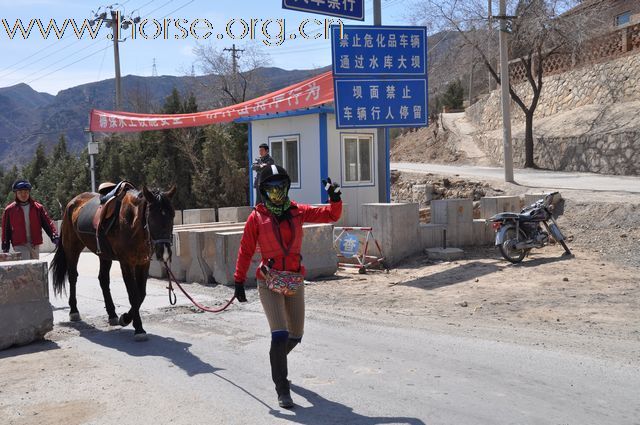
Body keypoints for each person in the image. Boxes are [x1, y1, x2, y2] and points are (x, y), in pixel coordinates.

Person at [233, 165, 342, 409]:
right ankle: (282, 388)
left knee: (296, 334)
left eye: (280, 187)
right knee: (279, 334)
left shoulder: (297, 211)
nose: (276, 192)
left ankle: (276, 357)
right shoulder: (256, 218)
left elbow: (330, 215)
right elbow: (245, 249)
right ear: (263, 190)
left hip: (293, 279)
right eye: (271, 188)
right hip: (268, 281)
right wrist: (239, 280)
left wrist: (334, 199)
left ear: (287, 187)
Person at [1, 179, 59, 260]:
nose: (23, 195)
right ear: (16, 194)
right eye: (20, 192)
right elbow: (6, 229)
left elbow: (47, 224)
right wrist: (5, 245)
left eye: (26, 192)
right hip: (19, 244)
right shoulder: (9, 210)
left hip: (34, 243)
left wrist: (54, 236)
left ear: (29, 193)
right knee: (25, 266)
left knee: (35, 267)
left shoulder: (38, 208)